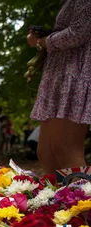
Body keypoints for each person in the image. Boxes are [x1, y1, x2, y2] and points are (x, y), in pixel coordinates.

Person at [27, 0, 91, 175]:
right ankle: (56, 201)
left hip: (74, 74)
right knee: (47, 152)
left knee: (66, 150)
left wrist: (43, 41)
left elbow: (78, 33)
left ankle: (83, 200)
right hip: (58, 75)